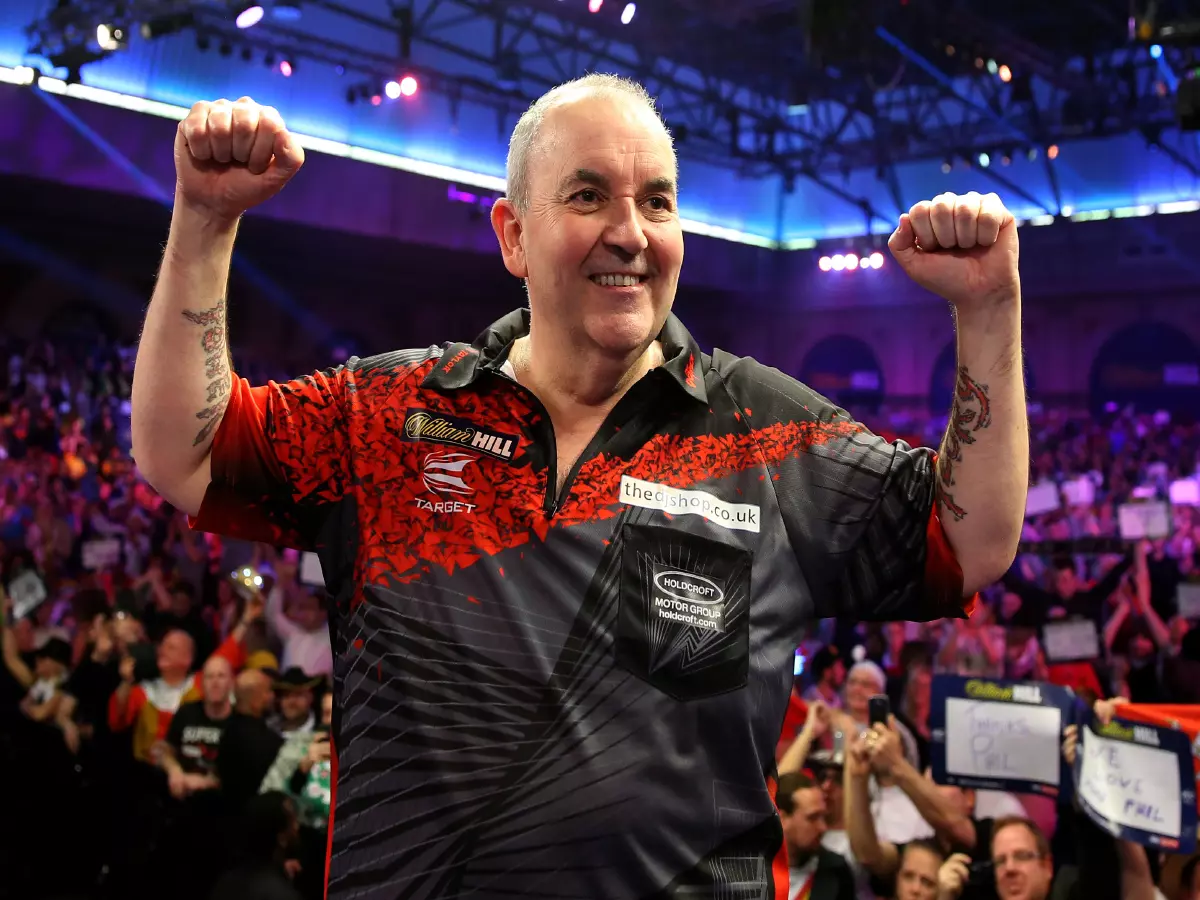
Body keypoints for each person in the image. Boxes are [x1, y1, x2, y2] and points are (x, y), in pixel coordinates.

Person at [132, 74, 1027, 899]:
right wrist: (204, 221)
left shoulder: (769, 433)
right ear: (513, 234)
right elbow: (185, 451)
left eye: (658, 202)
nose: (630, 233)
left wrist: (988, 314)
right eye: (589, 194)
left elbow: (972, 541)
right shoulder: (391, 414)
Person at [776, 772, 857, 900]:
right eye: (812, 818)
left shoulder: (836, 871)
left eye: (822, 817)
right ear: (782, 819)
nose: (823, 827)